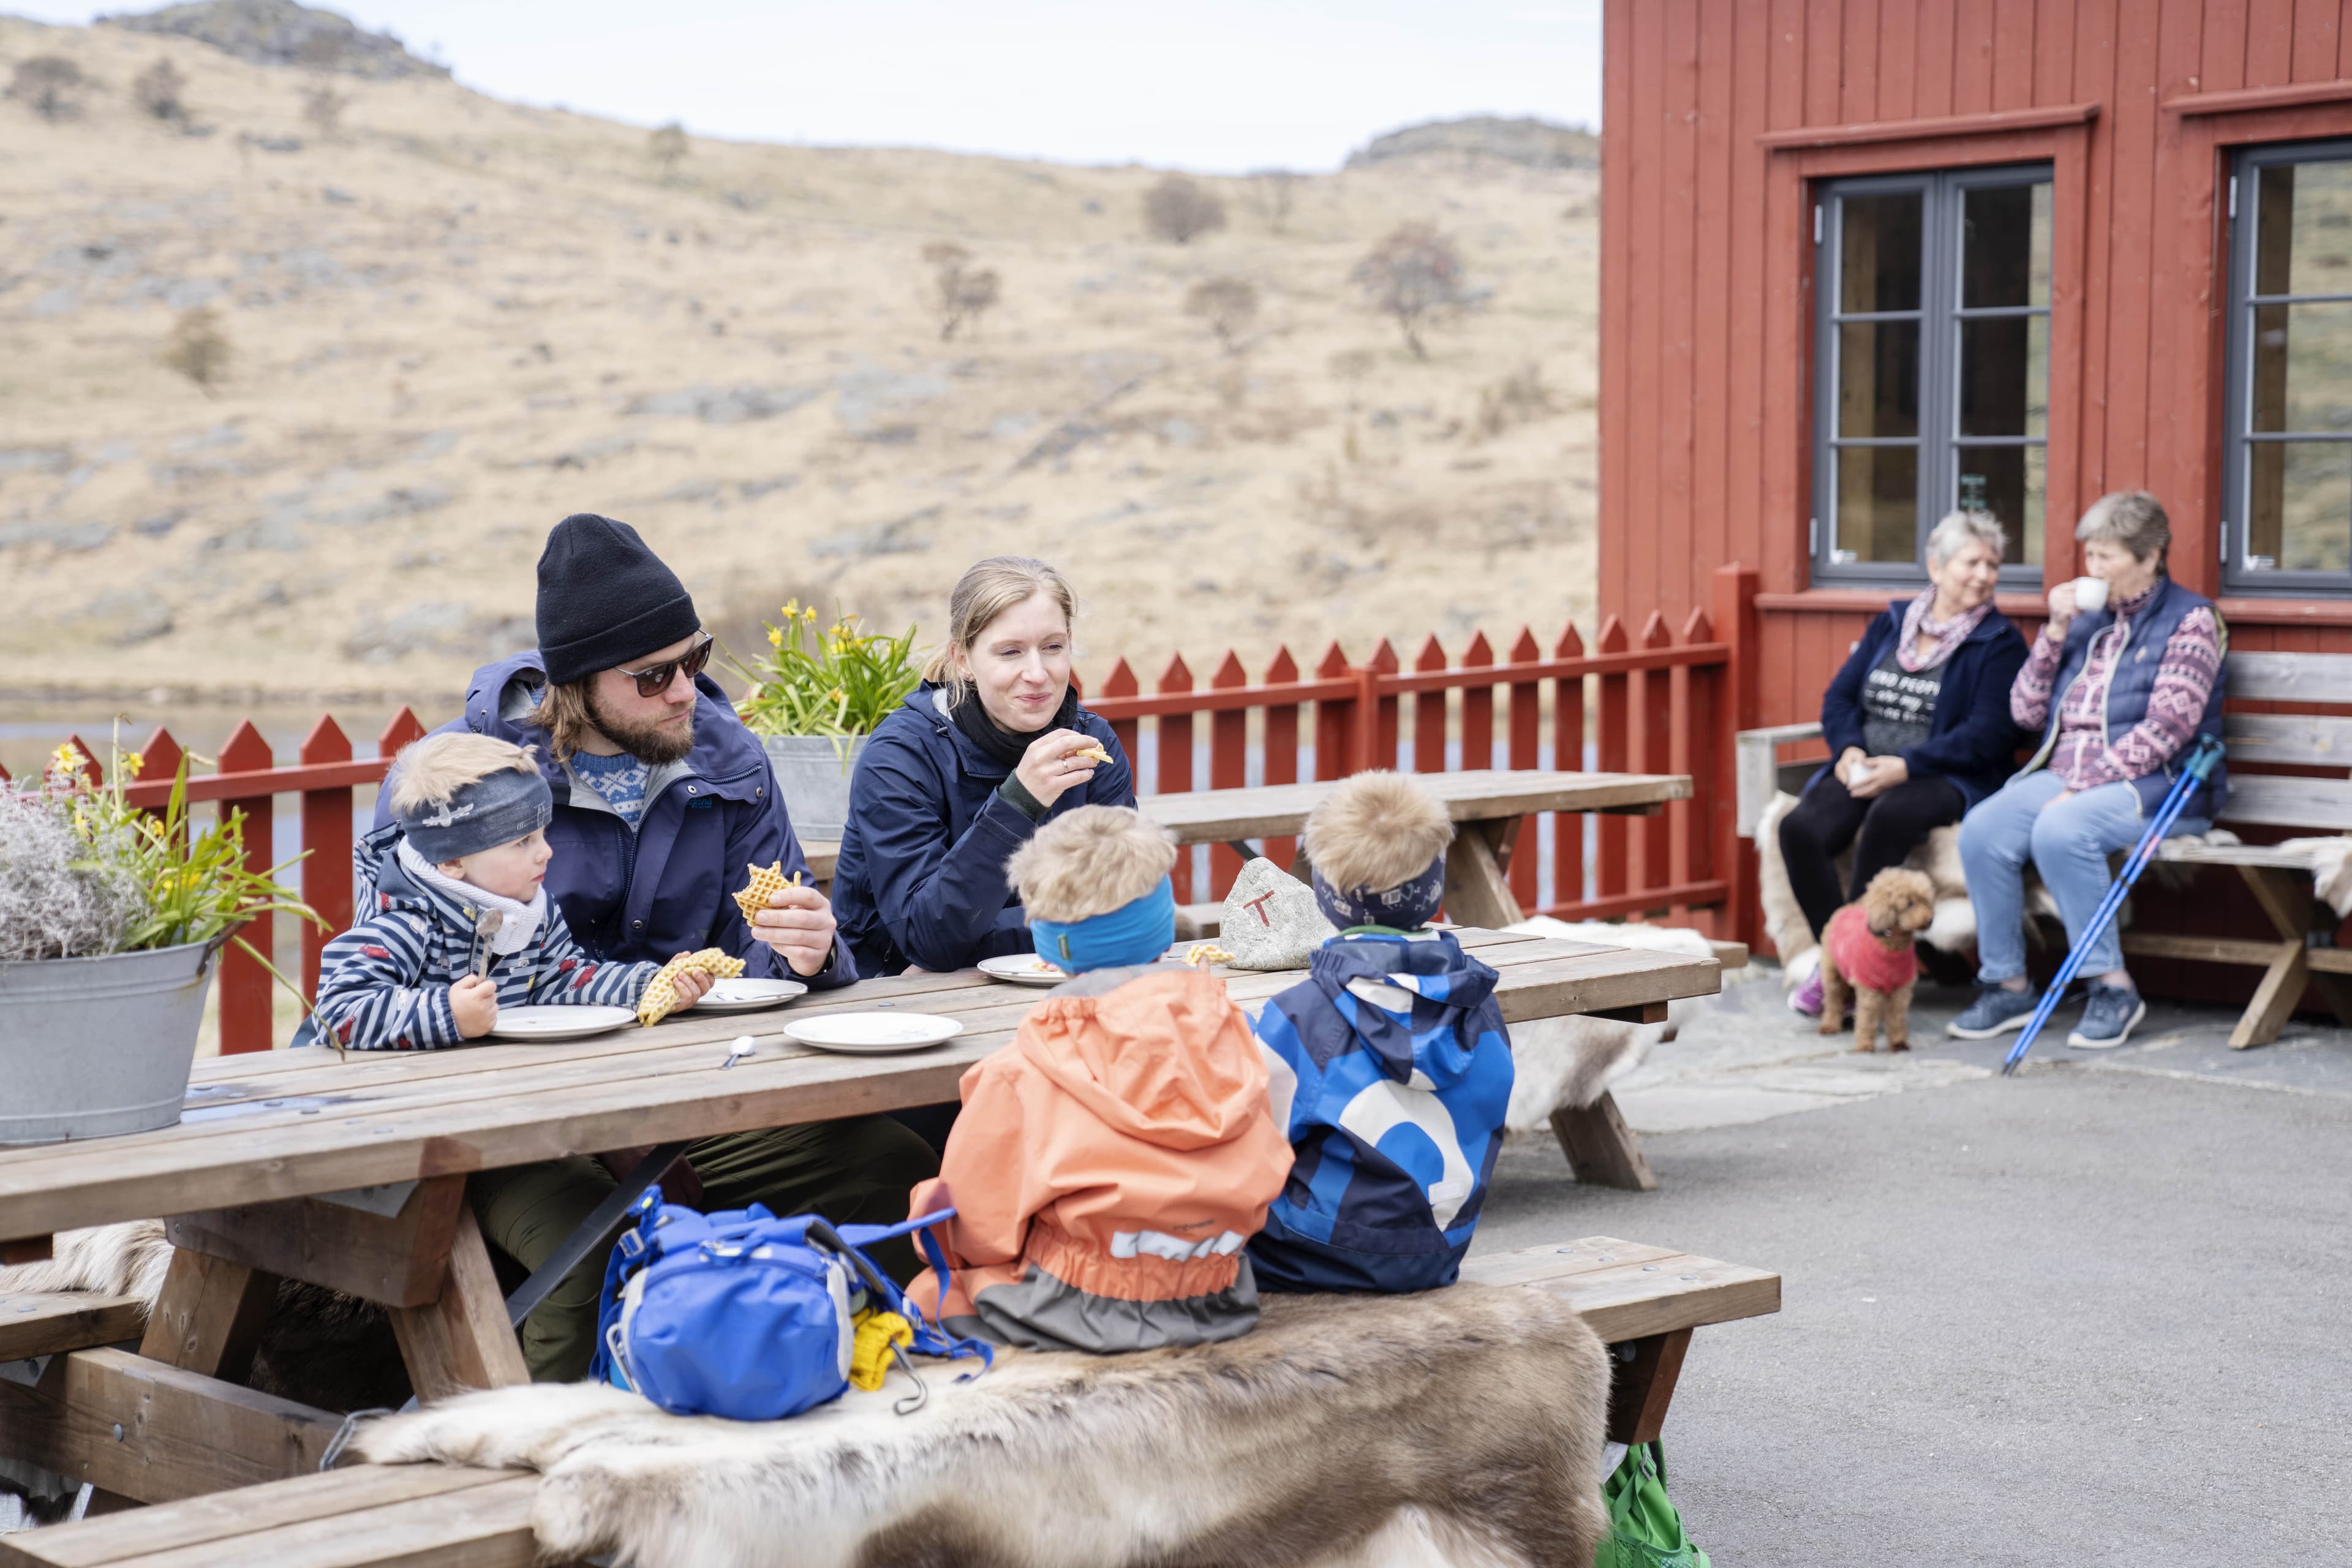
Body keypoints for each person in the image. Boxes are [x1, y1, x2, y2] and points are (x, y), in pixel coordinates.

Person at [383, 513, 940, 1348]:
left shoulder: (732, 759)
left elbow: (764, 966)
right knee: (593, 1246)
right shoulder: (459, 780)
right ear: (576, 682)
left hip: (681, 1098)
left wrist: (813, 953)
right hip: (510, 1112)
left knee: (894, 1169)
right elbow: (387, 968)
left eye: (696, 659)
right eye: (652, 677)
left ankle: (823, 1386)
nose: (686, 690)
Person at [316, 733, 721, 1379]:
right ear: (452, 863)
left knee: (622, 1221)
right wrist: (445, 1014)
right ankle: (540, 1408)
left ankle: (603, 1389)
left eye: (541, 832)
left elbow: (570, 981)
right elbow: (338, 1008)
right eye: (521, 842)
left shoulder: (526, 911)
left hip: (507, 1131)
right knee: (587, 1244)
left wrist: (653, 985)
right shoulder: (404, 921)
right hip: (410, 1148)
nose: (546, 852)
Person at [904, 805, 1292, 1352]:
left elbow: (977, 1226)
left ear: (1047, 943)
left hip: (1081, 1301)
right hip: (1217, 1289)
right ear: (1163, 919)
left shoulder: (1022, 1069)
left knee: (932, 1292)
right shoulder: (1238, 1033)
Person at [1949, 491, 2228, 1050]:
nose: (2092, 570)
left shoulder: (2191, 620)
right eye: (2090, 557)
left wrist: (2082, 786)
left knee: (2063, 827)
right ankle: (2007, 982)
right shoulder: (2085, 621)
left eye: (2107, 558)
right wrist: (2054, 633)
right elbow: (2025, 712)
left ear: (2150, 557)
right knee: (1983, 828)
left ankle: (2111, 986)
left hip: (2157, 784)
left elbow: (2168, 728)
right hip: (2066, 777)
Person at [1246, 771, 1515, 1293]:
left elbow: (1251, 1149)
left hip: (1312, 1254)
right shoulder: (1481, 1007)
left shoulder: (1300, 1015)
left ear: (1326, 893)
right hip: (1440, 1249)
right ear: (1435, 885)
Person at [832, 556, 1136, 978]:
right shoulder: (898, 756)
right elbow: (930, 938)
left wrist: (973, 945)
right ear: (962, 660)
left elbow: (1125, 910)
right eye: (1010, 652)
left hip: (1061, 984)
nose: (1037, 673)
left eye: (1052, 647)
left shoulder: (1093, 744)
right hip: (896, 1005)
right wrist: (1019, 801)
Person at [1778, 511, 2029, 1017]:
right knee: (1799, 828)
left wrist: (1908, 765)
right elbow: (1840, 698)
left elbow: (1988, 734)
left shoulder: (1999, 643)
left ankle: (1847, 973)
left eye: (1993, 564)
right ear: (1936, 568)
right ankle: (1846, 962)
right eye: (1972, 562)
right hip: (1867, 765)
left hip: (1949, 775)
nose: (1984, 575)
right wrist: (1849, 750)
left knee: (1890, 817)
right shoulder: (1892, 624)